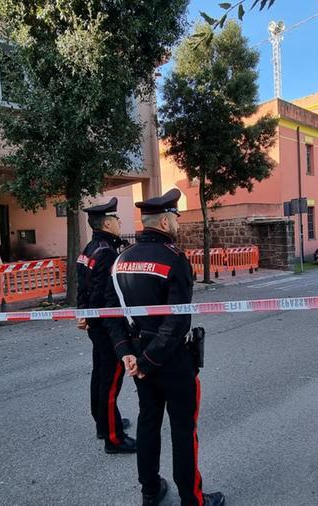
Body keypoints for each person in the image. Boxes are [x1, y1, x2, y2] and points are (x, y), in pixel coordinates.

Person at [105, 188, 226, 506]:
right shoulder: (174, 260)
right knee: (184, 431)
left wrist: (126, 354)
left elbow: (109, 311)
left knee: (148, 423)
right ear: (163, 220)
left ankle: (150, 492)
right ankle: (192, 499)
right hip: (171, 361)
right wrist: (146, 360)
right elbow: (176, 324)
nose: (177, 221)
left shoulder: (120, 260)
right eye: (175, 216)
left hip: (139, 359)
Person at [76, 197, 136, 454]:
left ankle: (103, 421)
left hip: (94, 323)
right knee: (110, 380)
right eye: (117, 219)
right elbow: (104, 295)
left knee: (100, 375)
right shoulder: (108, 252)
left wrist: (84, 314)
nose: (120, 222)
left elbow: (83, 288)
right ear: (108, 223)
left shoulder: (89, 248)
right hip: (107, 327)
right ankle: (114, 438)